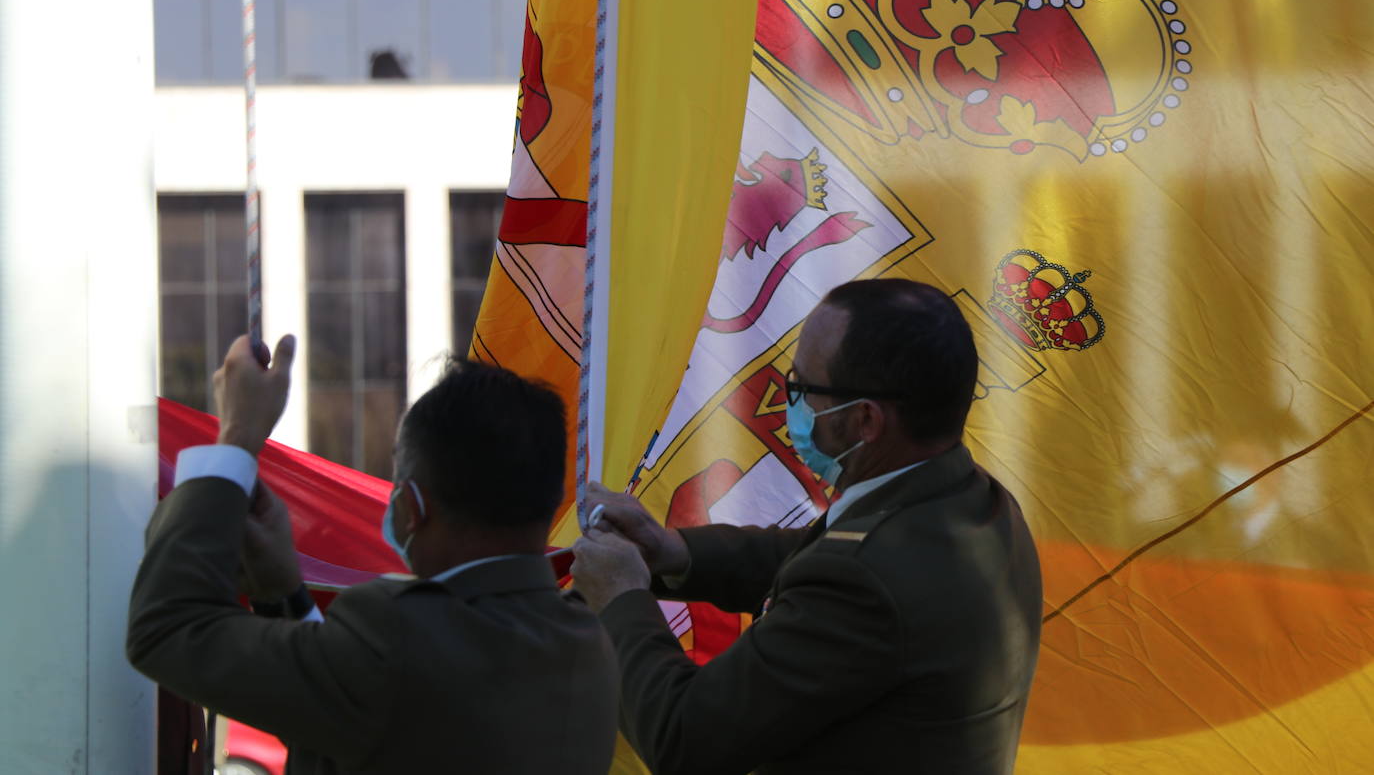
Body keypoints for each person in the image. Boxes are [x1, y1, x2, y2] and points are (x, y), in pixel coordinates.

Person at [572, 278, 1043, 775]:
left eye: (800, 387)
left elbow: (683, 736)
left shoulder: (865, 579)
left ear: (865, 420)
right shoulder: (969, 498)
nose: (787, 401)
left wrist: (620, 599)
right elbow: (808, 553)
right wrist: (671, 550)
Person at [128, 336, 619, 774]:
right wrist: (285, 594)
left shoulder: (395, 634)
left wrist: (236, 438)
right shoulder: (586, 639)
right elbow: (360, 718)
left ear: (413, 507)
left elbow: (166, 628)